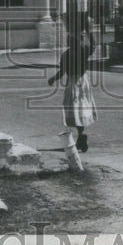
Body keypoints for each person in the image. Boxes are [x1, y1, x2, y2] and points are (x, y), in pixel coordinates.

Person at [48, 14, 97, 172]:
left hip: (74, 83)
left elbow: (62, 72)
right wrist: (90, 31)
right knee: (80, 109)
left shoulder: (67, 54)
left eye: (69, 40)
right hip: (84, 81)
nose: (68, 42)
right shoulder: (83, 51)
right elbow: (94, 46)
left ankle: (81, 136)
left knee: (74, 110)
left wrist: (53, 79)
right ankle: (81, 135)